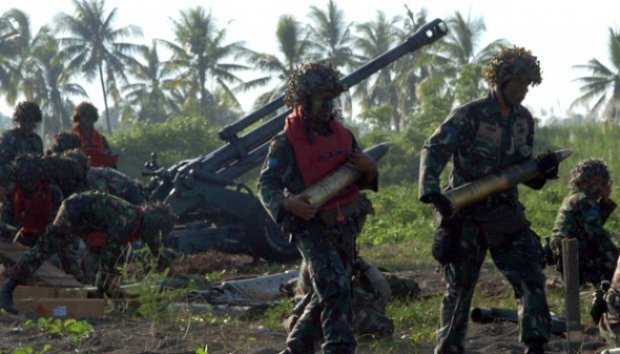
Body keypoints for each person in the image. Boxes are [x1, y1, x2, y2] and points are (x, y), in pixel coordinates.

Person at [418, 46, 558, 354]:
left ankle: (535, 345)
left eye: (526, 85)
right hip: (464, 214)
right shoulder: (470, 114)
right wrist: (432, 192)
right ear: (500, 81)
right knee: (459, 289)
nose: (522, 91)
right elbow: (434, 148)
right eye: (517, 83)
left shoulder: (524, 120)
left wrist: (543, 171)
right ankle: (449, 349)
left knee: (531, 278)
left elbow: (525, 173)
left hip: (505, 215)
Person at [258, 61, 378, 354]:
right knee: (334, 286)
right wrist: (288, 204)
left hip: (346, 224)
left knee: (336, 286)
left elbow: (359, 178)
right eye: (320, 99)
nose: (327, 106)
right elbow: (266, 185)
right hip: (311, 226)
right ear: (303, 100)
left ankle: (297, 346)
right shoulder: (285, 143)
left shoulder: (343, 135)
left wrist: (370, 168)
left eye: (330, 99)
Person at [0, 191, 177, 314]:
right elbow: (108, 261)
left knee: (101, 261)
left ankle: (94, 292)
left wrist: (174, 279)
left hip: (93, 220)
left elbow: (157, 254)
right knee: (44, 249)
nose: (152, 237)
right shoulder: (126, 222)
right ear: (148, 224)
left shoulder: (147, 226)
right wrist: (107, 290)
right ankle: (8, 288)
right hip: (75, 211)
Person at [550, 159, 618, 288]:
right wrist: (617, 256)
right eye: (600, 182)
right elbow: (597, 236)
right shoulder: (585, 201)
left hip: (569, 254)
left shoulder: (574, 198)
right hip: (576, 256)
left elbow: (589, 226)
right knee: (612, 268)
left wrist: (605, 201)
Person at [0, 101, 44, 195]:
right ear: (19, 120)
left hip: (32, 183)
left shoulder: (37, 140)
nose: (28, 123)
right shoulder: (9, 137)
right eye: (25, 119)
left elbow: (40, 162)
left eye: (31, 120)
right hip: (12, 182)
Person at [71, 102, 118, 168]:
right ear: (79, 117)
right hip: (80, 173)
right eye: (86, 116)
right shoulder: (71, 138)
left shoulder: (101, 139)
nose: (89, 119)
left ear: (94, 118)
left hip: (100, 172)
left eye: (91, 116)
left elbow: (110, 162)